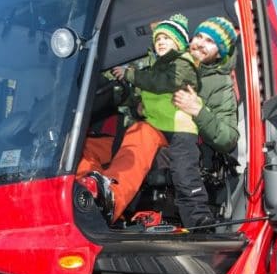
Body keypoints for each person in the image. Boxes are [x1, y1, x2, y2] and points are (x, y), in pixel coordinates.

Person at [75, 14, 191, 221]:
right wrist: (125, 93)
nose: (161, 42)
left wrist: (133, 78)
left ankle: (112, 199)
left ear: (180, 44)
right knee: (81, 146)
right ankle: (86, 193)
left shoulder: (183, 67)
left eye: (167, 38)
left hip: (168, 132)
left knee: (141, 133)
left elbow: (162, 87)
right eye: (158, 39)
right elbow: (135, 98)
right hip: (136, 129)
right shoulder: (151, 70)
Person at [131, 16, 240, 230]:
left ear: (221, 52)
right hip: (161, 142)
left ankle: (199, 222)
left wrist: (198, 111)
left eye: (210, 41)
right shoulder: (168, 68)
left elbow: (228, 139)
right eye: (198, 36)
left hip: (193, 156)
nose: (199, 43)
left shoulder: (221, 84)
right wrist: (139, 108)